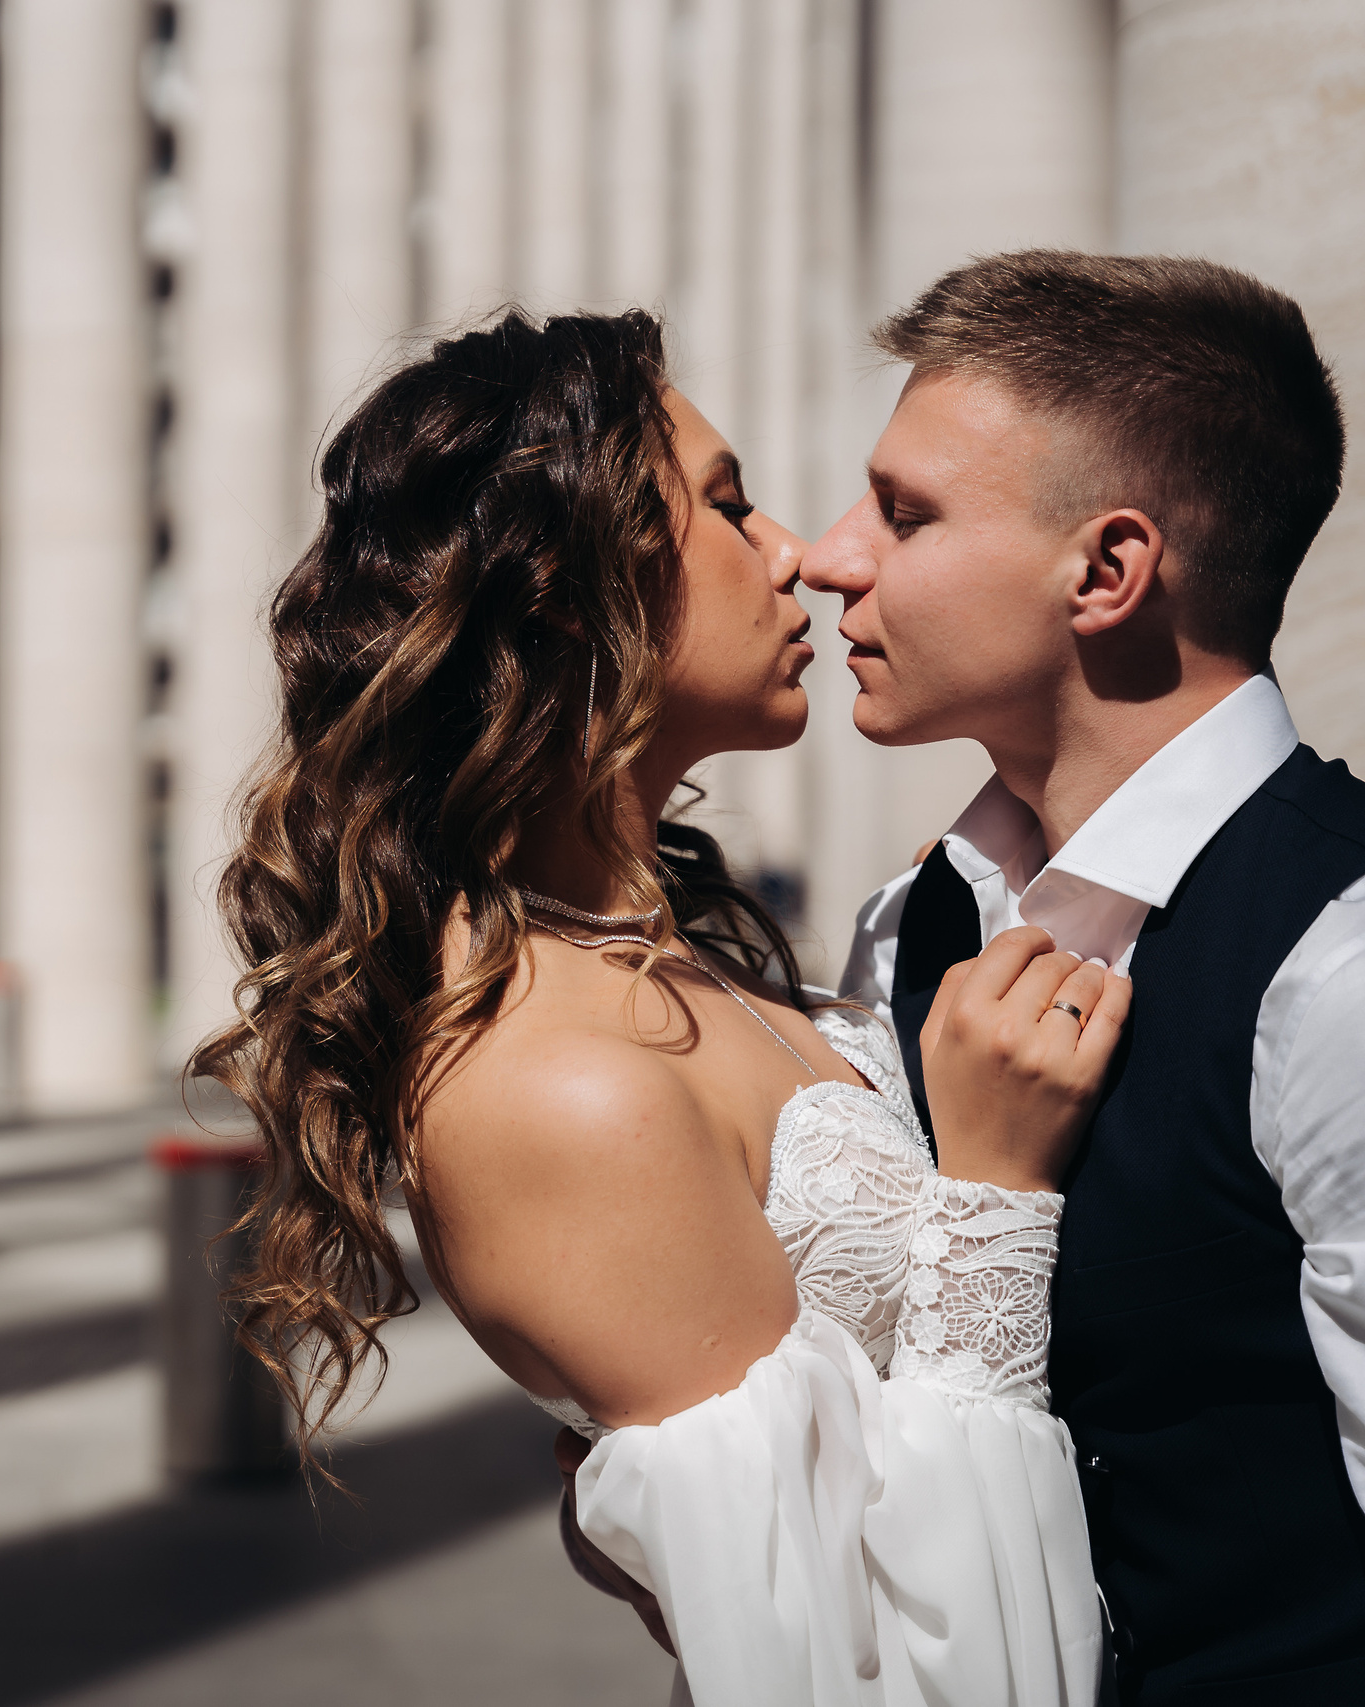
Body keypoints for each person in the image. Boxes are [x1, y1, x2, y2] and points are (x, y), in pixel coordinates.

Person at [192, 305, 1110, 1704]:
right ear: (569, 588)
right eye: (728, 506)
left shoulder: (669, 959)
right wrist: (992, 1190)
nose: (798, 556)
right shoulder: (554, 1085)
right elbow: (835, 1670)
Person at [806, 251, 1365, 1703]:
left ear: (1108, 572)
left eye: (905, 512)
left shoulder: (1343, 959)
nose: (828, 556)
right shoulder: (904, 927)